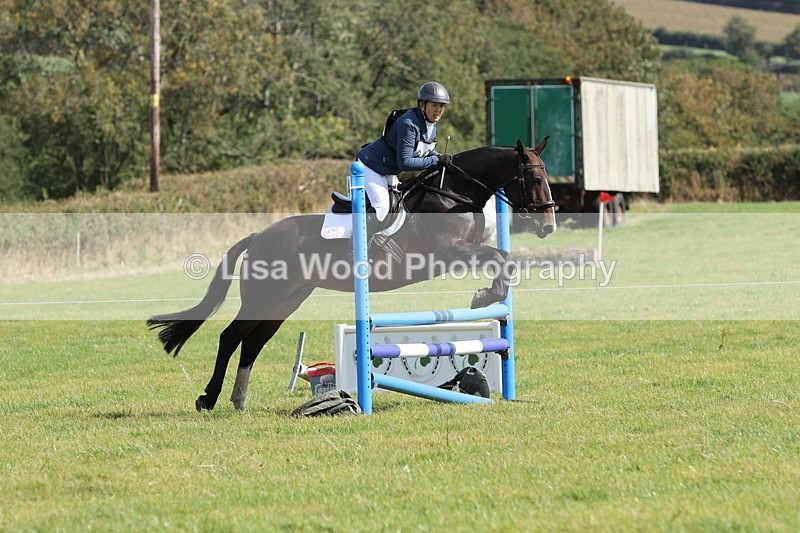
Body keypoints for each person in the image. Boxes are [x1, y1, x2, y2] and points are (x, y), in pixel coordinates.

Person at [356, 81, 453, 222]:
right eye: (434, 105)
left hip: (387, 170)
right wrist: (436, 160)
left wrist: (442, 157)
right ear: (422, 105)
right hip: (371, 167)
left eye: (441, 106)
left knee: (399, 207)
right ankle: (361, 243)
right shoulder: (409, 124)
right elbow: (406, 163)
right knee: (382, 209)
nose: (438, 110)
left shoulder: (430, 123)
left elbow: (424, 149)